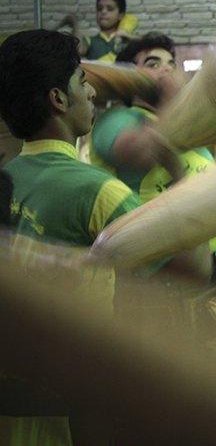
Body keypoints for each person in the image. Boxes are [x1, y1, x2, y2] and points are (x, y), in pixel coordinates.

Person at [88, 33, 216, 378]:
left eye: (171, 64)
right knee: (155, 404)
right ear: (130, 78)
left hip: (205, 280)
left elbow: (208, 211)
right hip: (150, 283)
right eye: (152, 64)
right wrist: (175, 100)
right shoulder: (119, 120)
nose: (166, 71)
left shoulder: (197, 140)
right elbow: (140, 152)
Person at [0, 29, 143, 445]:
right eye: (82, 81)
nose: (92, 93)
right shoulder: (101, 191)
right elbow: (185, 265)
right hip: (66, 415)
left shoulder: (6, 179)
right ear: (58, 100)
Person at [58, 0, 138, 62]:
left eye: (110, 9)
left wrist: (128, 36)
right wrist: (75, 23)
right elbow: (78, 50)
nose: (103, 12)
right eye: (99, 9)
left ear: (121, 15)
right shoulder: (90, 41)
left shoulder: (127, 40)